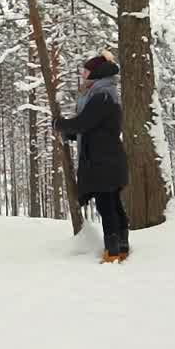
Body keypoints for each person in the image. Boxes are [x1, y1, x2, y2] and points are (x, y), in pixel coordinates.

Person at [54, 50, 130, 262]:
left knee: (107, 205)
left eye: (86, 71)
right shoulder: (104, 94)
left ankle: (112, 251)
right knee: (113, 203)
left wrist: (59, 124)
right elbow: (92, 125)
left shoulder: (102, 96)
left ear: (96, 73)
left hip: (102, 160)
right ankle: (122, 246)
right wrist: (71, 132)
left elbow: (84, 122)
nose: (83, 75)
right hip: (107, 157)